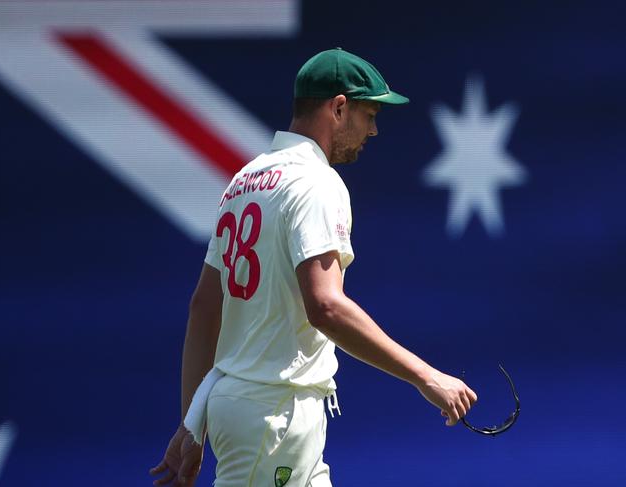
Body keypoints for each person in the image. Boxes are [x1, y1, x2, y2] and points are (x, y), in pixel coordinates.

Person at [150, 48, 477, 487]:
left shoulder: (245, 179)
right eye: (369, 113)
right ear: (338, 107)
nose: (375, 130)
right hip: (275, 414)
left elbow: (203, 307)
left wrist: (192, 420)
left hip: (251, 409)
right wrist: (426, 376)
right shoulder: (317, 182)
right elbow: (325, 306)